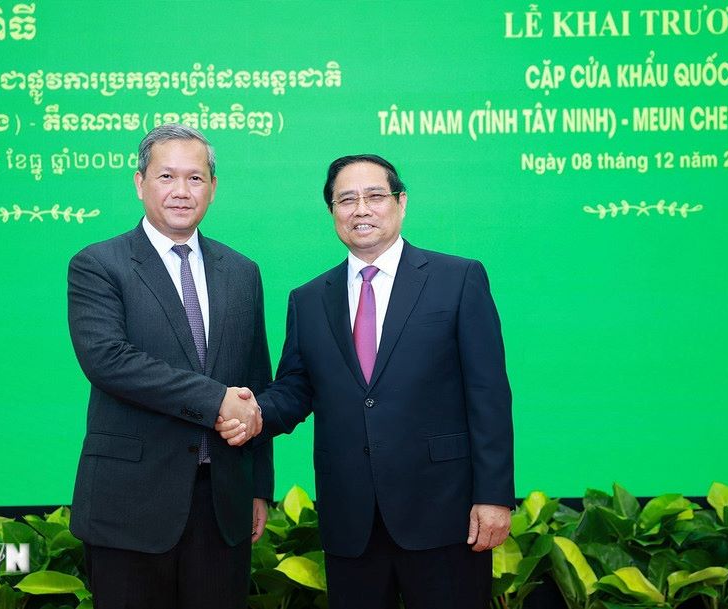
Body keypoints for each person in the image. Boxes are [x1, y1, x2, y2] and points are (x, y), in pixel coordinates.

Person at [220, 154, 514, 609]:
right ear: (332, 212)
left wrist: (494, 497)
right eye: (346, 199)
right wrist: (250, 412)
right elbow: (296, 388)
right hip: (351, 519)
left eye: (375, 196)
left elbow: (489, 394)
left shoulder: (458, 279)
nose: (361, 209)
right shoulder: (310, 298)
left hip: (443, 512)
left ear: (401, 203)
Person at [68, 124, 271, 609]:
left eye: (195, 178)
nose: (181, 191)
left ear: (213, 187)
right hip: (129, 504)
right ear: (140, 183)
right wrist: (213, 398)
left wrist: (257, 487)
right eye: (166, 176)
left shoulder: (242, 272)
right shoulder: (98, 264)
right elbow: (108, 360)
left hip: (221, 503)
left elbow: (254, 383)